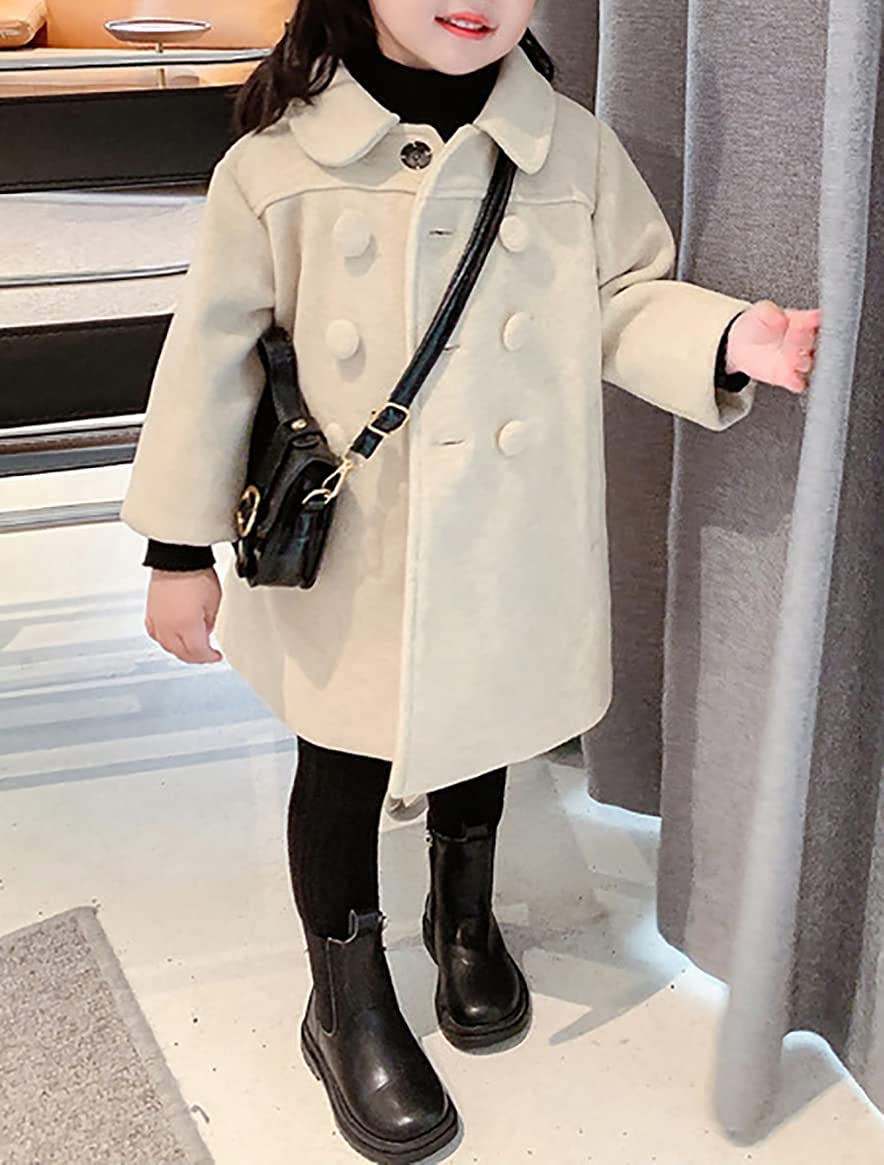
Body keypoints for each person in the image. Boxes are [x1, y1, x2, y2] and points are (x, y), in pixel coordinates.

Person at [120, 2, 821, 1160]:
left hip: (503, 534)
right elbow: (210, 359)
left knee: (480, 720)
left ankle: (463, 919)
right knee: (342, 762)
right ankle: (343, 999)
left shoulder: (567, 147)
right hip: (354, 552)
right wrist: (176, 549)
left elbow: (620, 296)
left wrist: (725, 337)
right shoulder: (277, 165)